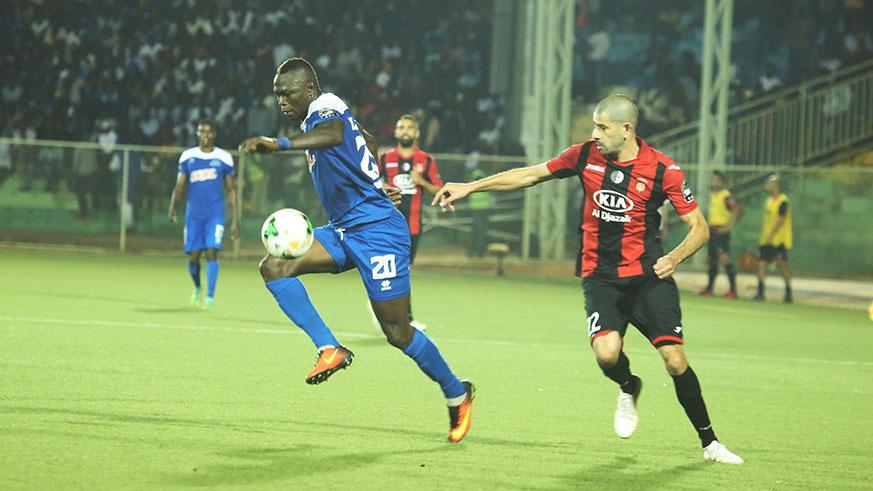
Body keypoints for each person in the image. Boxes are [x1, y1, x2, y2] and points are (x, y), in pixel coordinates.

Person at [433, 95, 744, 464]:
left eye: (602, 127)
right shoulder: (584, 155)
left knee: (675, 360)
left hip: (648, 277)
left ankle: (710, 443)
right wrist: (471, 187)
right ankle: (629, 386)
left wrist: (674, 258)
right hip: (600, 277)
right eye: (594, 126)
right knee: (606, 354)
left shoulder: (664, 170)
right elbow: (532, 173)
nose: (594, 134)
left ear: (626, 129)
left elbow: (700, 227)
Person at [238, 57, 474, 443]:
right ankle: (329, 347)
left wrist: (278, 145)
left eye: (287, 92)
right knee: (275, 267)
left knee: (397, 332)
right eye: (277, 93)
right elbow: (365, 137)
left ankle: (456, 393)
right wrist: (375, 182)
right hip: (346, 229)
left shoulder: (324, 107)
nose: (281, 100)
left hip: (380, 232)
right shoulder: (324, 113)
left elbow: (334, 134)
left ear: (309, 89)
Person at [377, 114, 444, 330]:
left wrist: (421, 181)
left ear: (416, 133)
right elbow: (370, 184)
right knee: (390, 267)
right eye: (401, 127)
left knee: (404, 270)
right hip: (387, 223)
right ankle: (401, 316)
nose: (405, 131)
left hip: (413, 225)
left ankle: (399, 314)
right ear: (396, 132)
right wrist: (382, 186)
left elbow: (439, 190)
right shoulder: (385, 159)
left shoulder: (426, 161)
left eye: (409, 128)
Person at [167, 120, 240, 310]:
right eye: (201, 132)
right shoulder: (188, 156)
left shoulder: (224, 157)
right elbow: (180, 185)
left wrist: (235, 220)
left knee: (211, 252)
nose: (205, 135)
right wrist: (173, 207)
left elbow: (231, 190)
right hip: (194, 215)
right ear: (197, 134)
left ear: (214, 134)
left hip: (215, 213)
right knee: (193, 256)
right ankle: (198, 287)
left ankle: (209, 297)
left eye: (208, 132)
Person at [698, 171, 742, 299]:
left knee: (725, 258)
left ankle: (733, 290)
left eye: (716, 180)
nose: (713, 182)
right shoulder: (713, 195)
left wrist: (728, 226)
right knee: (712, 259)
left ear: (722, 181)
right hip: (712, 231)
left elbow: (737, 209)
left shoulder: (726, 195)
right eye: (712, 180)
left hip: (721, 231)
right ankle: (709, 288)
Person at [755, 174, 792, 303]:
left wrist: (771, 235)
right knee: (760, 264)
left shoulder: (783, 201)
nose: (767, 185)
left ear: (775, 184)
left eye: (769, 183)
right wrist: (765, 236)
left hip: (779, 239)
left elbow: (780, 220)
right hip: (766, 240)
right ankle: (760, 292)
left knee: (782, 265)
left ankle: (788, 293)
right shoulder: (768, 201)